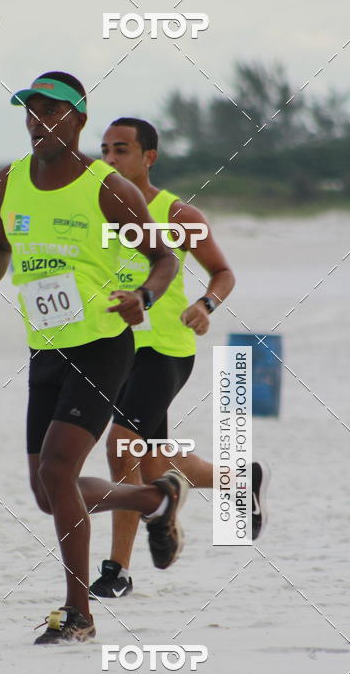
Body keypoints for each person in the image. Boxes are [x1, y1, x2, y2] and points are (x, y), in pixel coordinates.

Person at [0, 74, 184, 644]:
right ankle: (156, 499)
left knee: (59, 471)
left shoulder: (108, 188)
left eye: (52, 113)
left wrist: (144, 298)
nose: (39, 122)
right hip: (47, 348)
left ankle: (78, 614)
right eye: (32, 113)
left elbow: (163, 259)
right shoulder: (9, 181)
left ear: (79, 121)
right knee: (46, 489)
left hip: (104, 345)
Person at [90, 117, 269, 601]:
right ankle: (237, 479)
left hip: (165, 348)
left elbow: (223, 271)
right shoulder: (96, 209)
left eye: (121, 149)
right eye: (105, 149)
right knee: (147, 464)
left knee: (121, 445)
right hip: (113, 349)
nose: (110, 158)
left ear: (149, 157)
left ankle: (116, 571)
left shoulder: (179, 214)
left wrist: (205, 305)